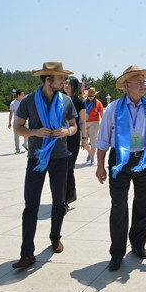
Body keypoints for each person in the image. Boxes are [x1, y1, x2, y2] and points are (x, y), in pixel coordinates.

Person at [95, 65, 146, 272]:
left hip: (144, 159)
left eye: (144, 82)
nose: (143, 86)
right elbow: (102, 141)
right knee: (118, 207)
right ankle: (117, 253)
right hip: (119, 162)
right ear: (127, 86)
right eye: (139, 83)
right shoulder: (112, 109)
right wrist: (100, 166)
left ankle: (137, 244)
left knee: (143, 206)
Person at [12, 62, 78, 269]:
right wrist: (35, 132)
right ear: (48, 80)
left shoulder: (66, 100)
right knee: (31, 205)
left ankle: (55, 236)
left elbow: (75, 126)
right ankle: (26, 253)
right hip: (36, 159)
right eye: (60, 79)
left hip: (60, 157)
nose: (64, 82)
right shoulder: (29, 101)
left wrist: (67, 131)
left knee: (59, 202)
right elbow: (18, 128)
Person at [63, 76, 88, 208]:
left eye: (68, 83)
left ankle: (68, 195)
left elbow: (83, 122)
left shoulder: (79, 103)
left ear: (74, 86)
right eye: (65, 83)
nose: (65, 85)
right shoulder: (59, 99)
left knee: (69, 166)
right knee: (65, 168)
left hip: (73, 137)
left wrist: (84, 139)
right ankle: (70, 193)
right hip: (61, 137)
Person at [84, 87, 104, 165]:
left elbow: (102, 115)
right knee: (84, 142)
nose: (90, 97)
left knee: (93, 141)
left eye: (92, 96)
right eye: (89, 95)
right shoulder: (84, 102)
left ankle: (92, 158)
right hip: (85, 123)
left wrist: (103, 125)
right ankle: (90, 153)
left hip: (94, 123)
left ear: (95, 96)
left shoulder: (98, 103)